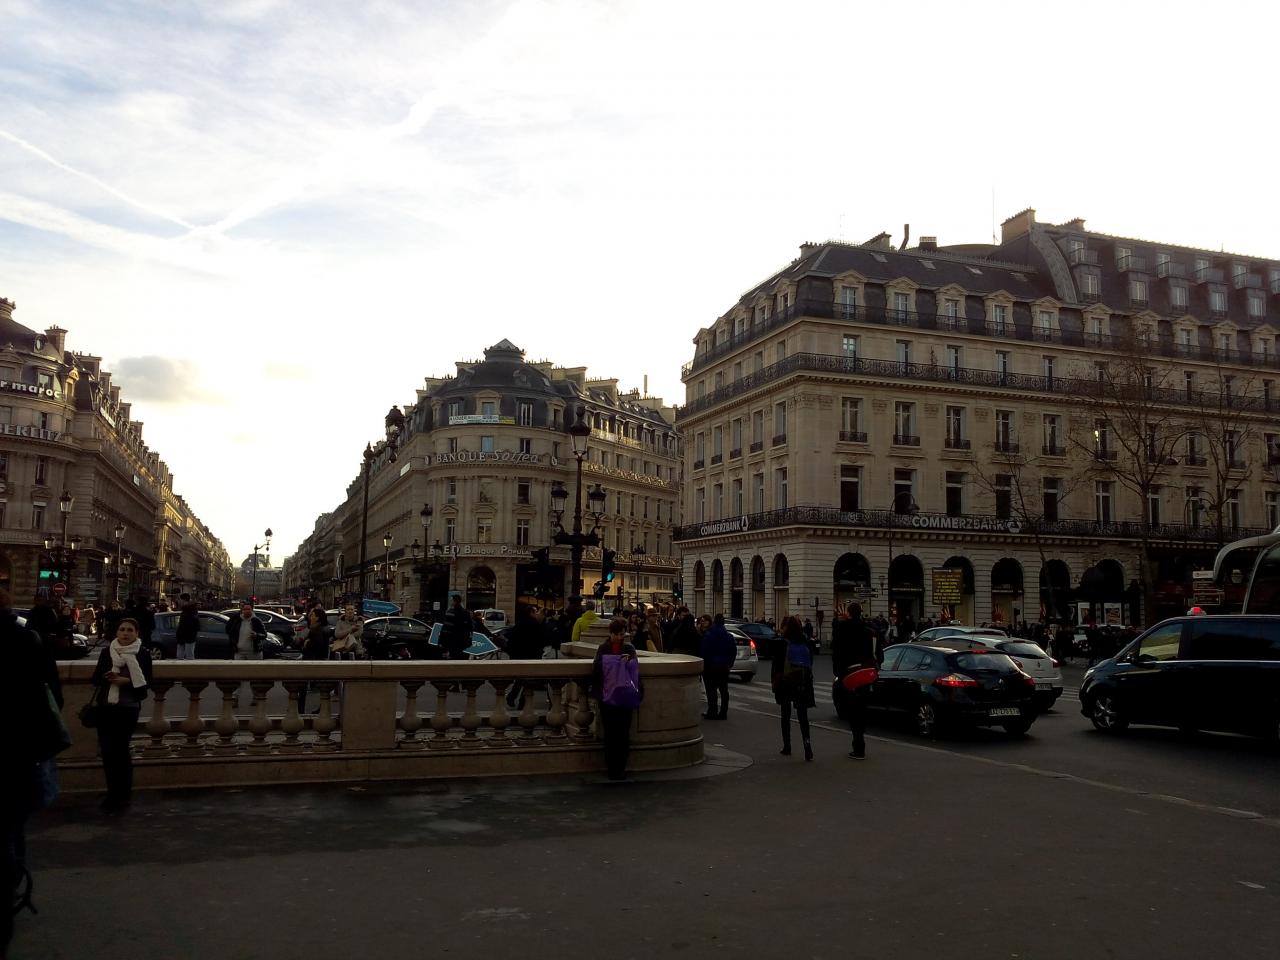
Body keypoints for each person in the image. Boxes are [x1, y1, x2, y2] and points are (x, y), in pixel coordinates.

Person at [2, 589, 62, 953]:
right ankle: (9, 889)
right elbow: (50, 696)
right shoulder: (25, 641)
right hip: (16, 756)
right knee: (11, 828)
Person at [90, 617, 153, 812]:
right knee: (108, 753)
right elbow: (95, 678)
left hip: (128, 708)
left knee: (121, 752)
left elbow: (147, 682)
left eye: (130, 630)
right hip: (107, 707)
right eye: (122, 629)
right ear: (117, 632)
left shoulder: (142, 654)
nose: (125, 633)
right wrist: (107, 677)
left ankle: (123, 794)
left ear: (137, 633)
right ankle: (112, 793)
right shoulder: (106, 652)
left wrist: (126, 681)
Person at [590, 618, 642, 781]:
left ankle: (620, 768)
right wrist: (614, 662)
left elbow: (636, 669)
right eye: (618, 634)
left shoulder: (629, 648)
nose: (621, 637)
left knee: (623, 735)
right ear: (611, 633)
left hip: (624, 697)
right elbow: (596, 668)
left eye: (623, 634)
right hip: (608, 697)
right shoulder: (603, 648)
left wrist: (628, 661)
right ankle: (612, 768)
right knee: (611, 734)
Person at [830, 601, 876, 760]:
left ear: (849, 613)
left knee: (851, 709)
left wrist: (838, 671)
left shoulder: (842, 628)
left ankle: (858, 746)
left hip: (849, 672)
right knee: (861, 708)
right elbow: (876, 652)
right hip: (865, 672)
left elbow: (836, 649)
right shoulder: (869, 630)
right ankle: (860, 742)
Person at [771, 615, 816, 760]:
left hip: (786, 682)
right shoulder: (806, 642)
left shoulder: (781, 643)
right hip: (802, 683)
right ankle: (807, 746)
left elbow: (776, 666)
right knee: (803, 717)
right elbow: (810, 663)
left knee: (785, 715)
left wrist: (774, 682)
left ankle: (787, 746)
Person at [699, 614, 737, 720]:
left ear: (714, 622)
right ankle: (723, 712)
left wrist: (704, 664)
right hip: (724, 666)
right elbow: (733, 652)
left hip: (711, 666)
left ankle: (712, 711)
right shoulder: (729, 636)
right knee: (724, 690)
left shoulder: (709, 635)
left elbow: (704, 651)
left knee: (711, 689)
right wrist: (730, 664)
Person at [441, 594, 473, 660]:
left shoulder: (450, 612)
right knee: (462, 660)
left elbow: (445, 628)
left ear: (455, 601)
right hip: (463, 642)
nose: (450, 602)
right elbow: (470, 627)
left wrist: (442, 641)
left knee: (453, 660)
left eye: (451, 600)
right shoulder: (466, 613)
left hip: (452, 642)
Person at [176, 593, 200, 660]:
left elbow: (193, 624)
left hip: (188, 636)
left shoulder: (190, 610)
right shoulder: (188, 610)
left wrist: (180, 632)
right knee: (182, 656)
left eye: (179, 600)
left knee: (188, 656)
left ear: (183, 600)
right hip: (185, 636)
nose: (178, 602)